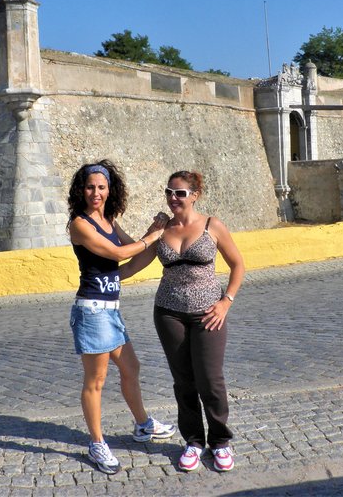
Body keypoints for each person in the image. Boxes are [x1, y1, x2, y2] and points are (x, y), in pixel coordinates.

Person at [67, 159, 176, 475]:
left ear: (109, 189)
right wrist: (152, 238)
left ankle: (143, 425)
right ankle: (97, 443)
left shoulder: (109, 221)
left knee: (131, 367)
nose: (96, 193)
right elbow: (117, 255)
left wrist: (157, 232)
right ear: (81, 190)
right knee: (95, 382)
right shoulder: (80, 224)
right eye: (90, 187)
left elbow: (131, 257)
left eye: (101, 187)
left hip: (112, 312)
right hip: (92, 312)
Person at [150, 170, 245, 473]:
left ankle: (220, 442)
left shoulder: (211, 226)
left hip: (209, 313)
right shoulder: (162, 229)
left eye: (180, 193)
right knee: (184, 381)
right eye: (169, 192)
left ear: (195, 195)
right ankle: (193, 441)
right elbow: (135, 258)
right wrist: (101, 276)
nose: (173, 198)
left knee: (210, 380)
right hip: (168, 312)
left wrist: (225, 302)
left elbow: (238, 264)